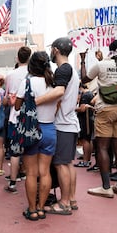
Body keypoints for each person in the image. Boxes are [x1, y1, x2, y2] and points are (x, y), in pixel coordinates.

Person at [80, 39, 117, 198]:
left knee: (102, 147)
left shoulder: (101, 65)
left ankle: (106, 187)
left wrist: (83, 60)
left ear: (112, 49)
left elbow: (84, 79)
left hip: (105, 108)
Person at [36, 37, 80, 215]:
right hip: (70, 123)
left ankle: (63, 203)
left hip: (63, 124)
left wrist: (36, 101)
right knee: (68, 164)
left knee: (61, 164)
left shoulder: (63, 69)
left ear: (55, 50)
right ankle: (71, 199)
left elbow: (59, 91)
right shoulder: (72, 70)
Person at [15, 51, 58, 220]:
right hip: (49, 130)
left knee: (31, 173)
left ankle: (32, 209)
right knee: (45, 172)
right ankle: (41, 208)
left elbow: (17, 106)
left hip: (31, 130)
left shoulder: (27, 82)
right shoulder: (54, 84)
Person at [4, 46, 31, 193]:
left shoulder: (10, 75)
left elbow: (7, 98)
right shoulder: (33, 75)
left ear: (18, 58)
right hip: (30, 117)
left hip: (15, 115)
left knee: (15, 151)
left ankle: (13, 182)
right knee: (29, 150)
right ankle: (26, 176)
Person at [74, 84, 94, 168]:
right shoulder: (90, 93)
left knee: (85, 140)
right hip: (89, 118)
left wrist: (72, 108)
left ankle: (85, 160)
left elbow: (82, 108)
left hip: (85, 119)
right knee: (88, 139)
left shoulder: (85, 95)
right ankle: (87, 159)